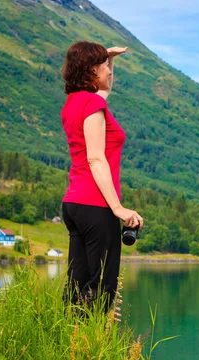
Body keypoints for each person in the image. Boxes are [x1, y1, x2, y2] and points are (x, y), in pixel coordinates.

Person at [60, 41, 143, 310]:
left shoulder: (74, 102)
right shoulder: (92, 105)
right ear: (91, 70)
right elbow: (95, 158)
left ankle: (67, 341)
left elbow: (103, 90)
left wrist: (108, 57)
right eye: (104, 67)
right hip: (96, 205)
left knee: (77, 282)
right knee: (102, 287)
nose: (109, 71)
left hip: (75, 204)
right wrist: (117, 208)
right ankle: (88, 346)